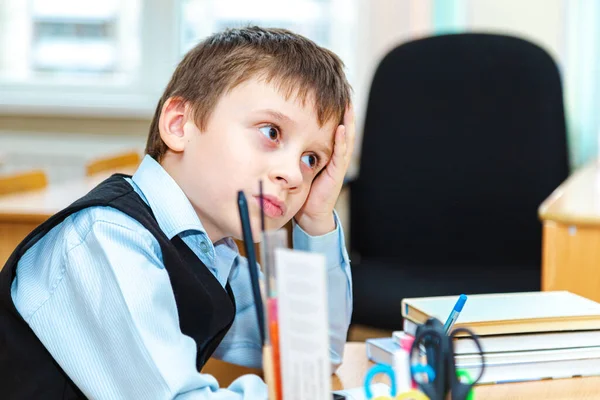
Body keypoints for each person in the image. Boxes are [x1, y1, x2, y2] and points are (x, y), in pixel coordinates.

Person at [1, 26, 355, 399]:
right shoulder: (108, 239)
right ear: (179, 124)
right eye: (271, 132)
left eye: (311, 158)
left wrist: (315, 219)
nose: (294, 174)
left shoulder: (215, 256)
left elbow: (313, 355)